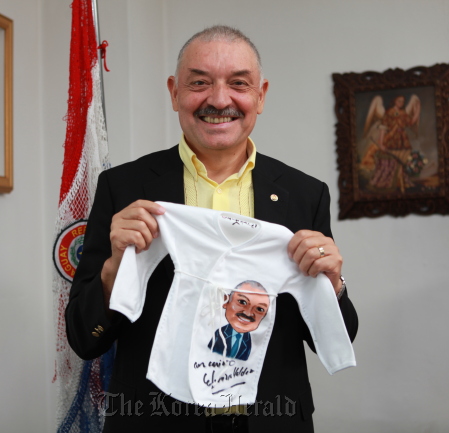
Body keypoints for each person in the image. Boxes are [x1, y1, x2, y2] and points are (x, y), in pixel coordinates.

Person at [65, 25, 358, 433]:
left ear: (261, 95)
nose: (219, 100)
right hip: (153, 422)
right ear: (174, 92)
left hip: (269, 421)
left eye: (239, 84)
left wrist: (333, 282)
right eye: (199, 83)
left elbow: (334, 333)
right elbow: (84, 337)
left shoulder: (304, 195)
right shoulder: (125, 189)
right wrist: (116, 267)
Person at [208, 281, 270, 361]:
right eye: (242, 302)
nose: (248, 313)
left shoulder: (249, 342)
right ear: (225, 301)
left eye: (259, 309)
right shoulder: (217, 335)